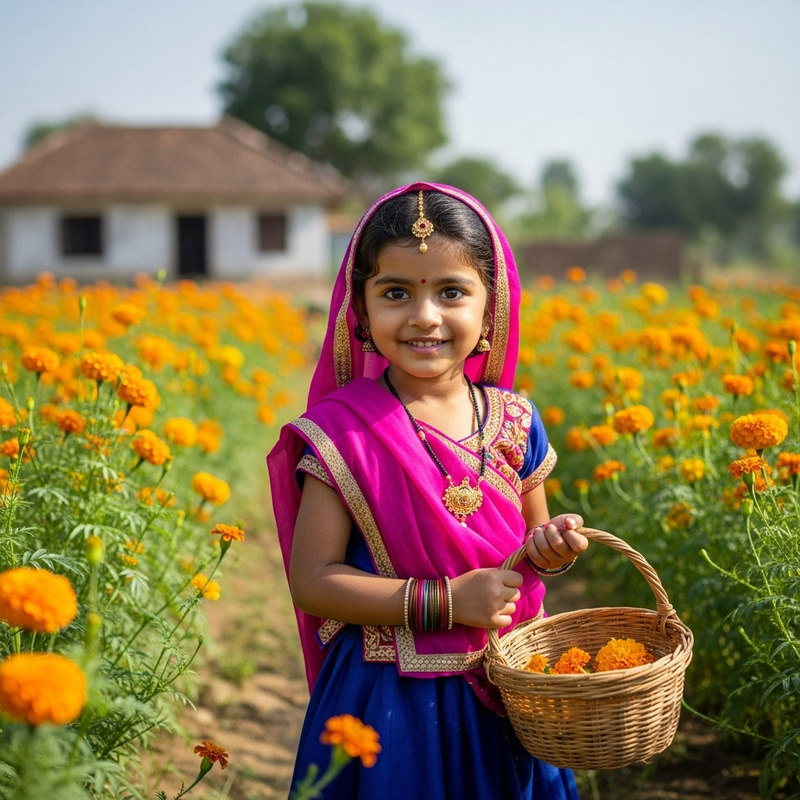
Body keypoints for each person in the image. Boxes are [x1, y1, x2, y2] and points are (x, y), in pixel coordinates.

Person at [267, 182, 588, 799]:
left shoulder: (515, 419)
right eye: (395, 293)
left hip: (509, 687)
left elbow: (533, 551)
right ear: (359, 311)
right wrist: (445, 602)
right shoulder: (344, 431)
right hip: (388, 701)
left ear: (489, 306)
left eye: (451, 292)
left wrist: (554, 547)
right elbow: (313, 581)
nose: (424, 316)